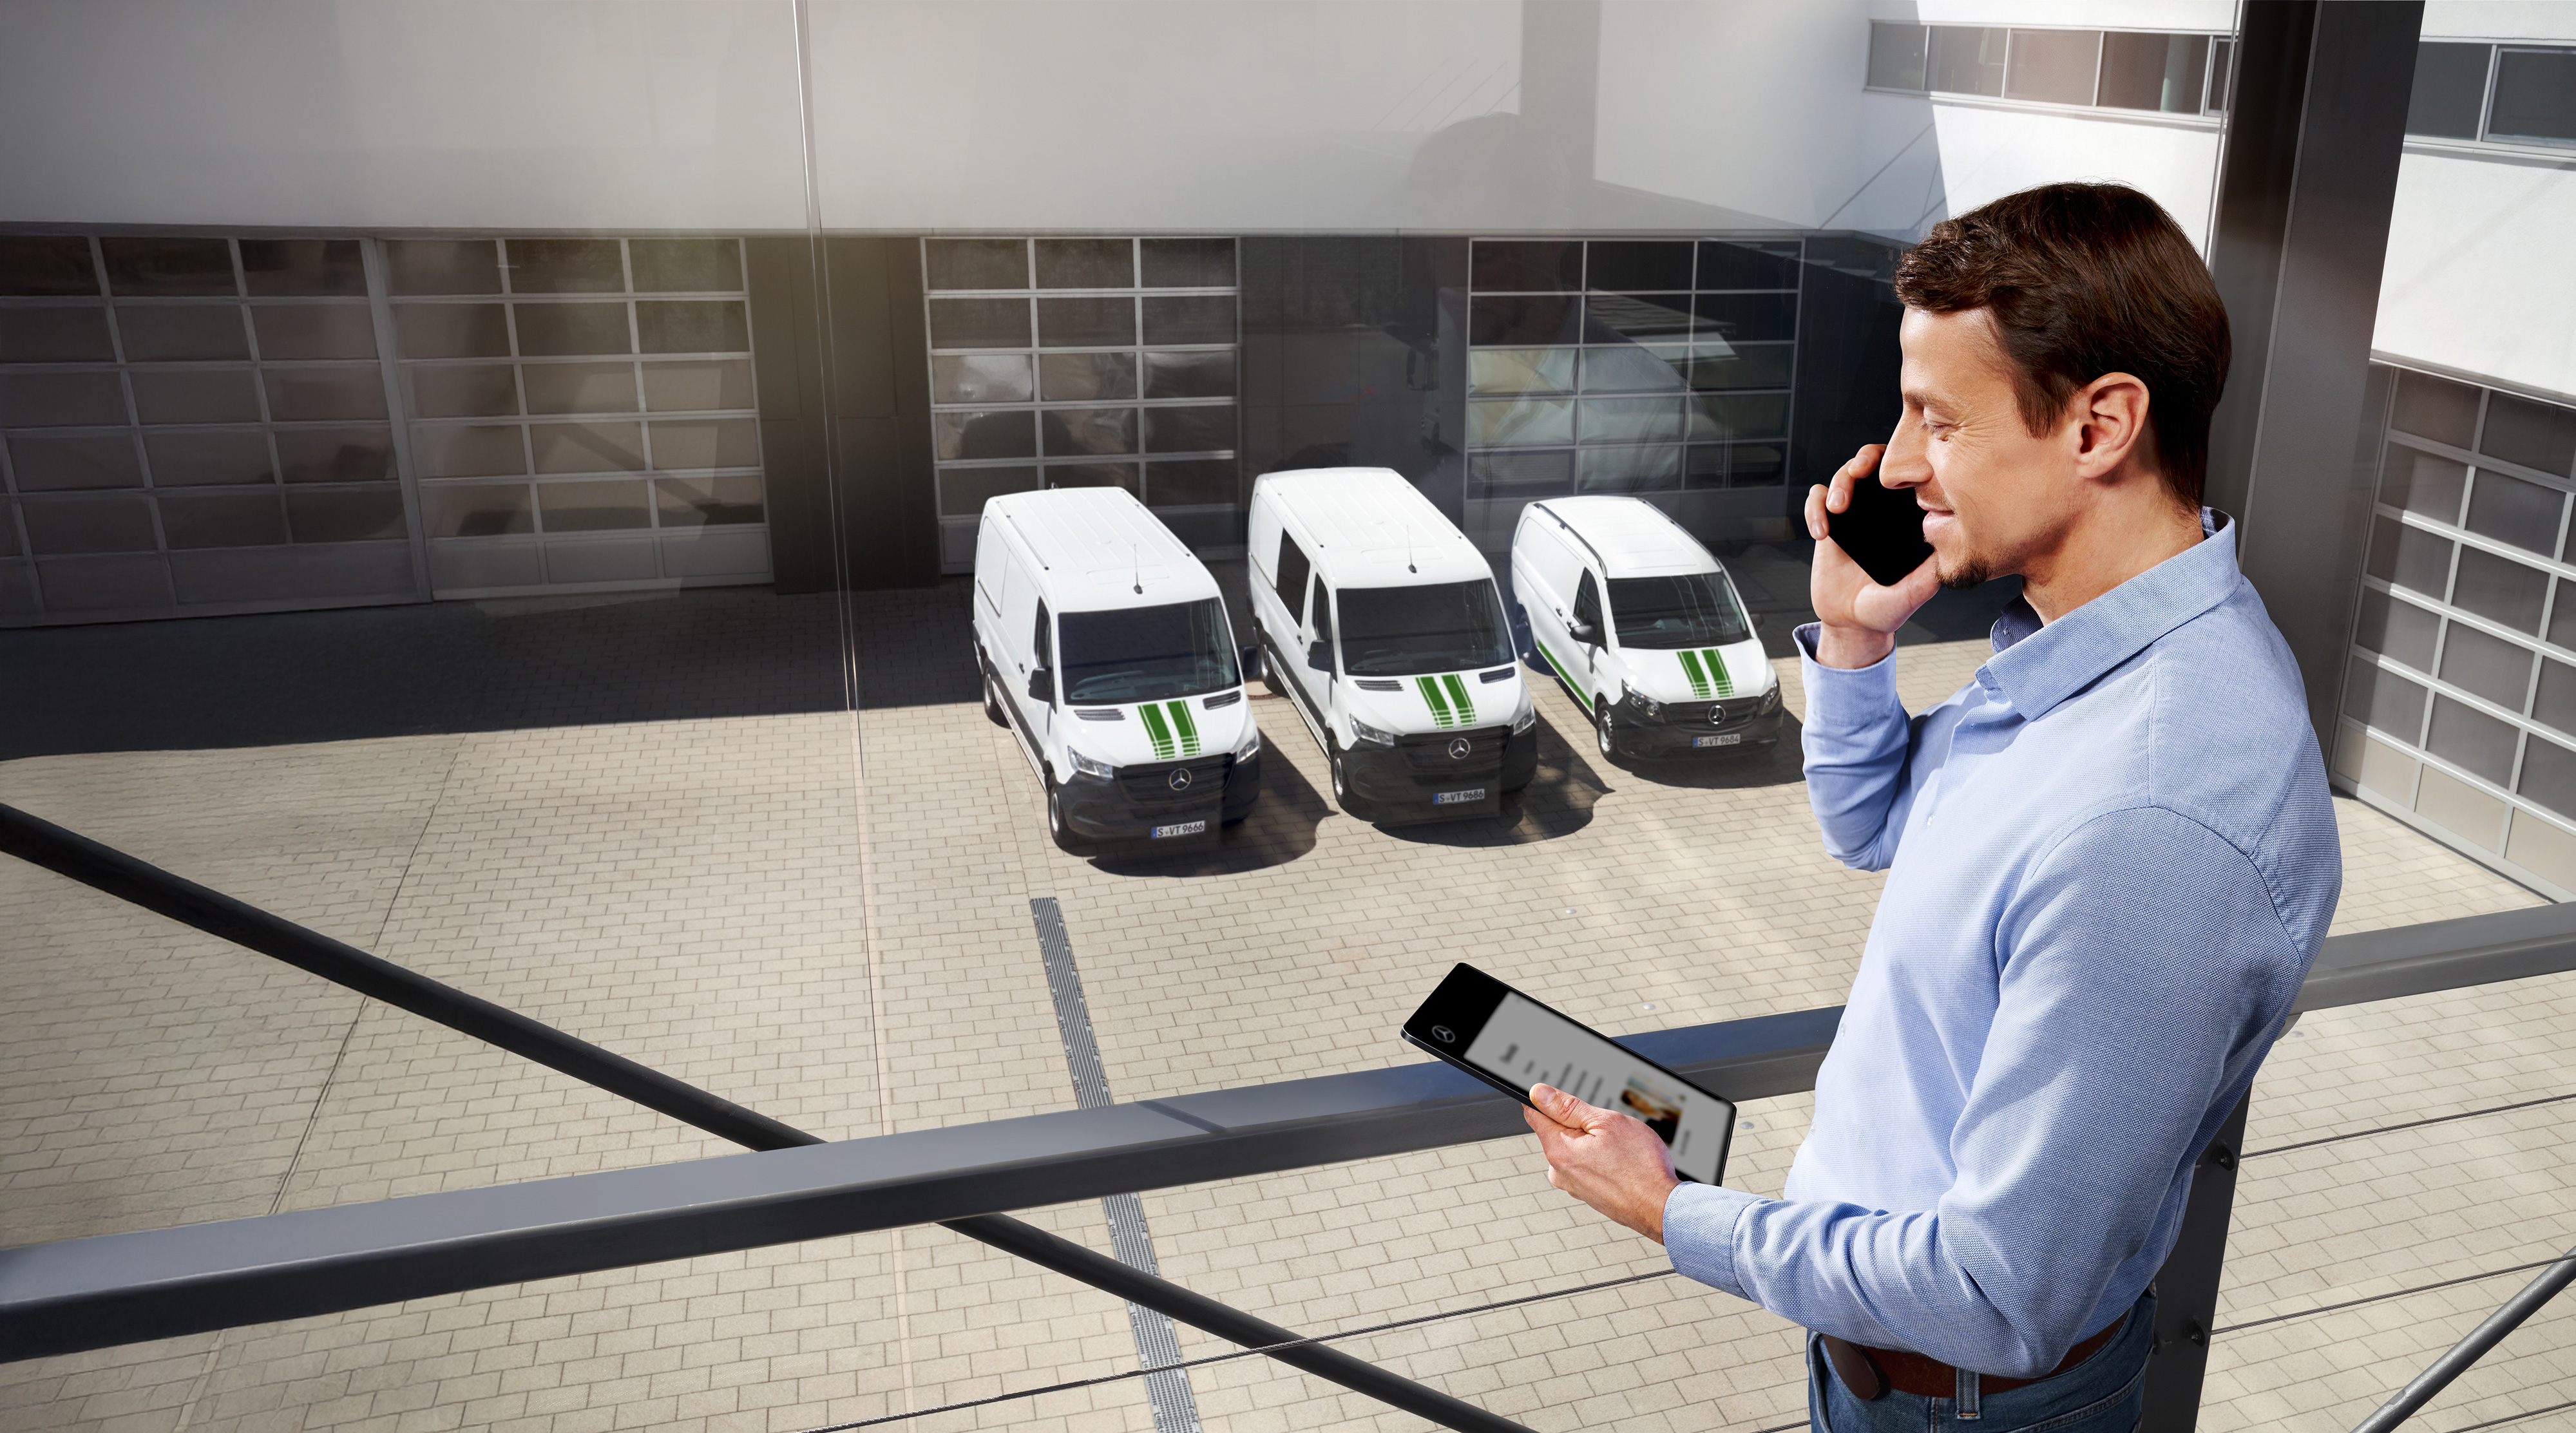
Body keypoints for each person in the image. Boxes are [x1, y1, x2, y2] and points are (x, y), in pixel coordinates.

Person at [1519, 182, 2342, 1433]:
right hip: (1891, 1376)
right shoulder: (2087, 657)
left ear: (2097, 426)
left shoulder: (2149, 818)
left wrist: (1667, 1211)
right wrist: (1850, 638)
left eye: (1935, 421)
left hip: (1959, 1406)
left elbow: (1995, 1293)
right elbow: (1875, 828)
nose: (1897, 467)